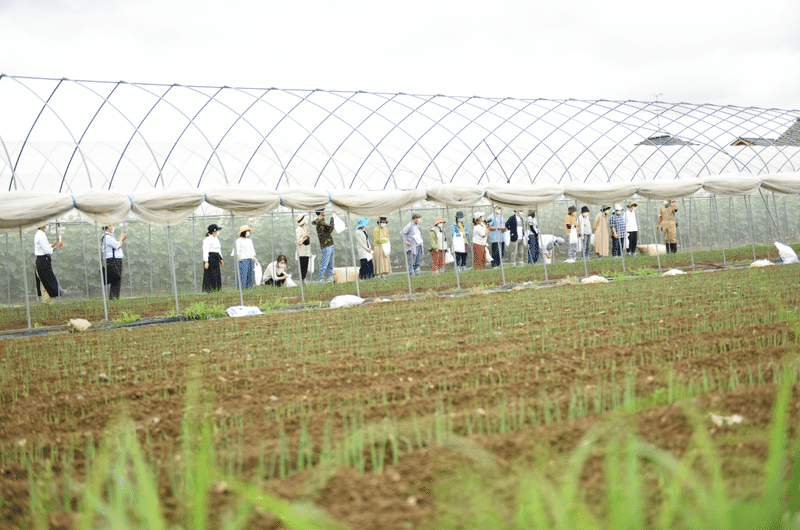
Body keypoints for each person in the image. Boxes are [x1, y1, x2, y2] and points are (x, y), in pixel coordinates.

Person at [34, 224, 62, 303]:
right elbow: (48, 251)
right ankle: (48, 303)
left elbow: (46, 247)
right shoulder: (41, 235)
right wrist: (57, 245)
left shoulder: (40, 234)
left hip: (43, 261)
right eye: (45, 224)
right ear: (42, 225)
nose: (47, 226)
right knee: (46, 284)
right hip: (43, 262)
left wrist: (55, 243)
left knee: (47, 282)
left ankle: (49, 303)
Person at [101, 225, 127, 299]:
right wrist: (121, 238)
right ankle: (114, 298)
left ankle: (114, 298)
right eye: (111, 226)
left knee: (115, 279)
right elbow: (118, 245)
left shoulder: (108, 237)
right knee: (116, 279)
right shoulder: (107, 237)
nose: (113, 227)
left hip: (113, 260)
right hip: (113, 260)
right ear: (108, 227)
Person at [312, 209, 335, 282]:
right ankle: (321, 279)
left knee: (330, 263)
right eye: (323, 211)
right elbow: (330, 228)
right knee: (324, 263)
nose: (324, 212)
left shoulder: (321, 221)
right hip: (326, 245)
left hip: (330, 245)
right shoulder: (320, 222)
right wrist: (332, 219)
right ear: (321, 212)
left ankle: (329, 278)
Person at [232, 225, 258, 289]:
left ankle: (249, 288)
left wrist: (255, 259)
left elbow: (252, 250)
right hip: (242, 260)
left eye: (248, 231)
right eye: (246, 231)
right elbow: (236, 251)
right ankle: (241, 288)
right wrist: (239, 259)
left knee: (250, 274)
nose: (248, 232)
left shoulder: (249, 240)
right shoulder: (239, 240)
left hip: (249, 259)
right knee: (243, 275)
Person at [202, 223, 224, 292]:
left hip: (216, 257)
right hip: (210, 257)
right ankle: (209, 289)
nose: (217, 232)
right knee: (211, 274)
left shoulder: (216, 239)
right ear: (214, 232)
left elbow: (218, 249)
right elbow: (205, 251)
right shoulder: (207, 239)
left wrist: (221, 259)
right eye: (217, 231)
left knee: (217, 274)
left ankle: (217, 288)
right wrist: (206, 261)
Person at [295, 214, 311, 283]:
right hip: (301, 252)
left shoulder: (304, 228)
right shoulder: (298, 229)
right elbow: (298, 241)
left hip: (306, 251)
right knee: (302, 267)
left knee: (305, 267)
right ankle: (302, 281)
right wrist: (304, 236)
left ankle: (304, 279)